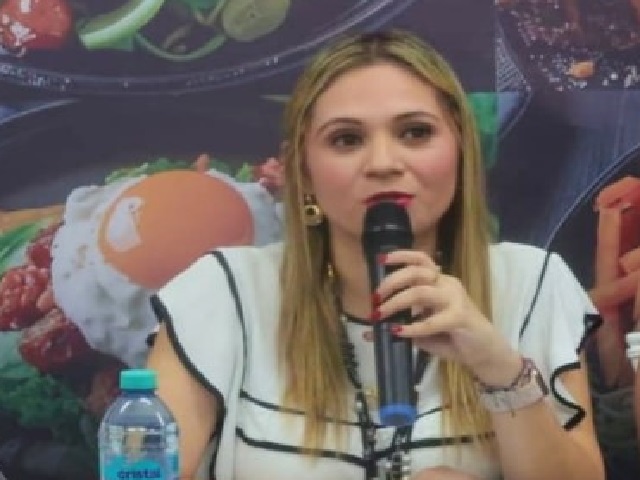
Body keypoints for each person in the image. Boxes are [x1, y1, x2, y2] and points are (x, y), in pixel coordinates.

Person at [146, 29, 605, 480]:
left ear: (462, 149)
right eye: (346, 140)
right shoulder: (224, 292)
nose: (383, 163)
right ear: (302, 168)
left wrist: (500, 369)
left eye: (415, 133)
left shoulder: (531, 282)